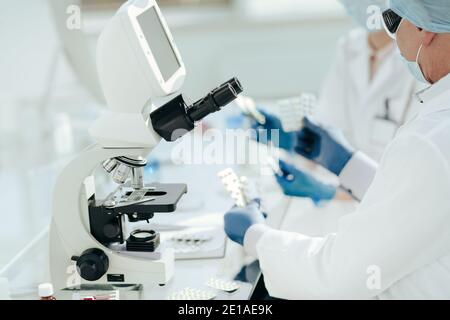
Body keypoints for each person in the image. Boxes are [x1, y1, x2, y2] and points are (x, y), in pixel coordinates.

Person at [225, 0, 450, 299]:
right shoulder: (434, 127)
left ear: (424, 29)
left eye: (396, 20)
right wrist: (348, 164)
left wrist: (254, 236)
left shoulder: (427, 141)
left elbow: (340, 275)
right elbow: (419, 199)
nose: (394, 36)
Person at [254, 0, 422, 203]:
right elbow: (327, 127)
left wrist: (328, 191)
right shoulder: (350, 47)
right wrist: (295, 141)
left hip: (381, 204)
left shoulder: (419, 58)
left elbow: (406, 183)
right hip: (341, 198)